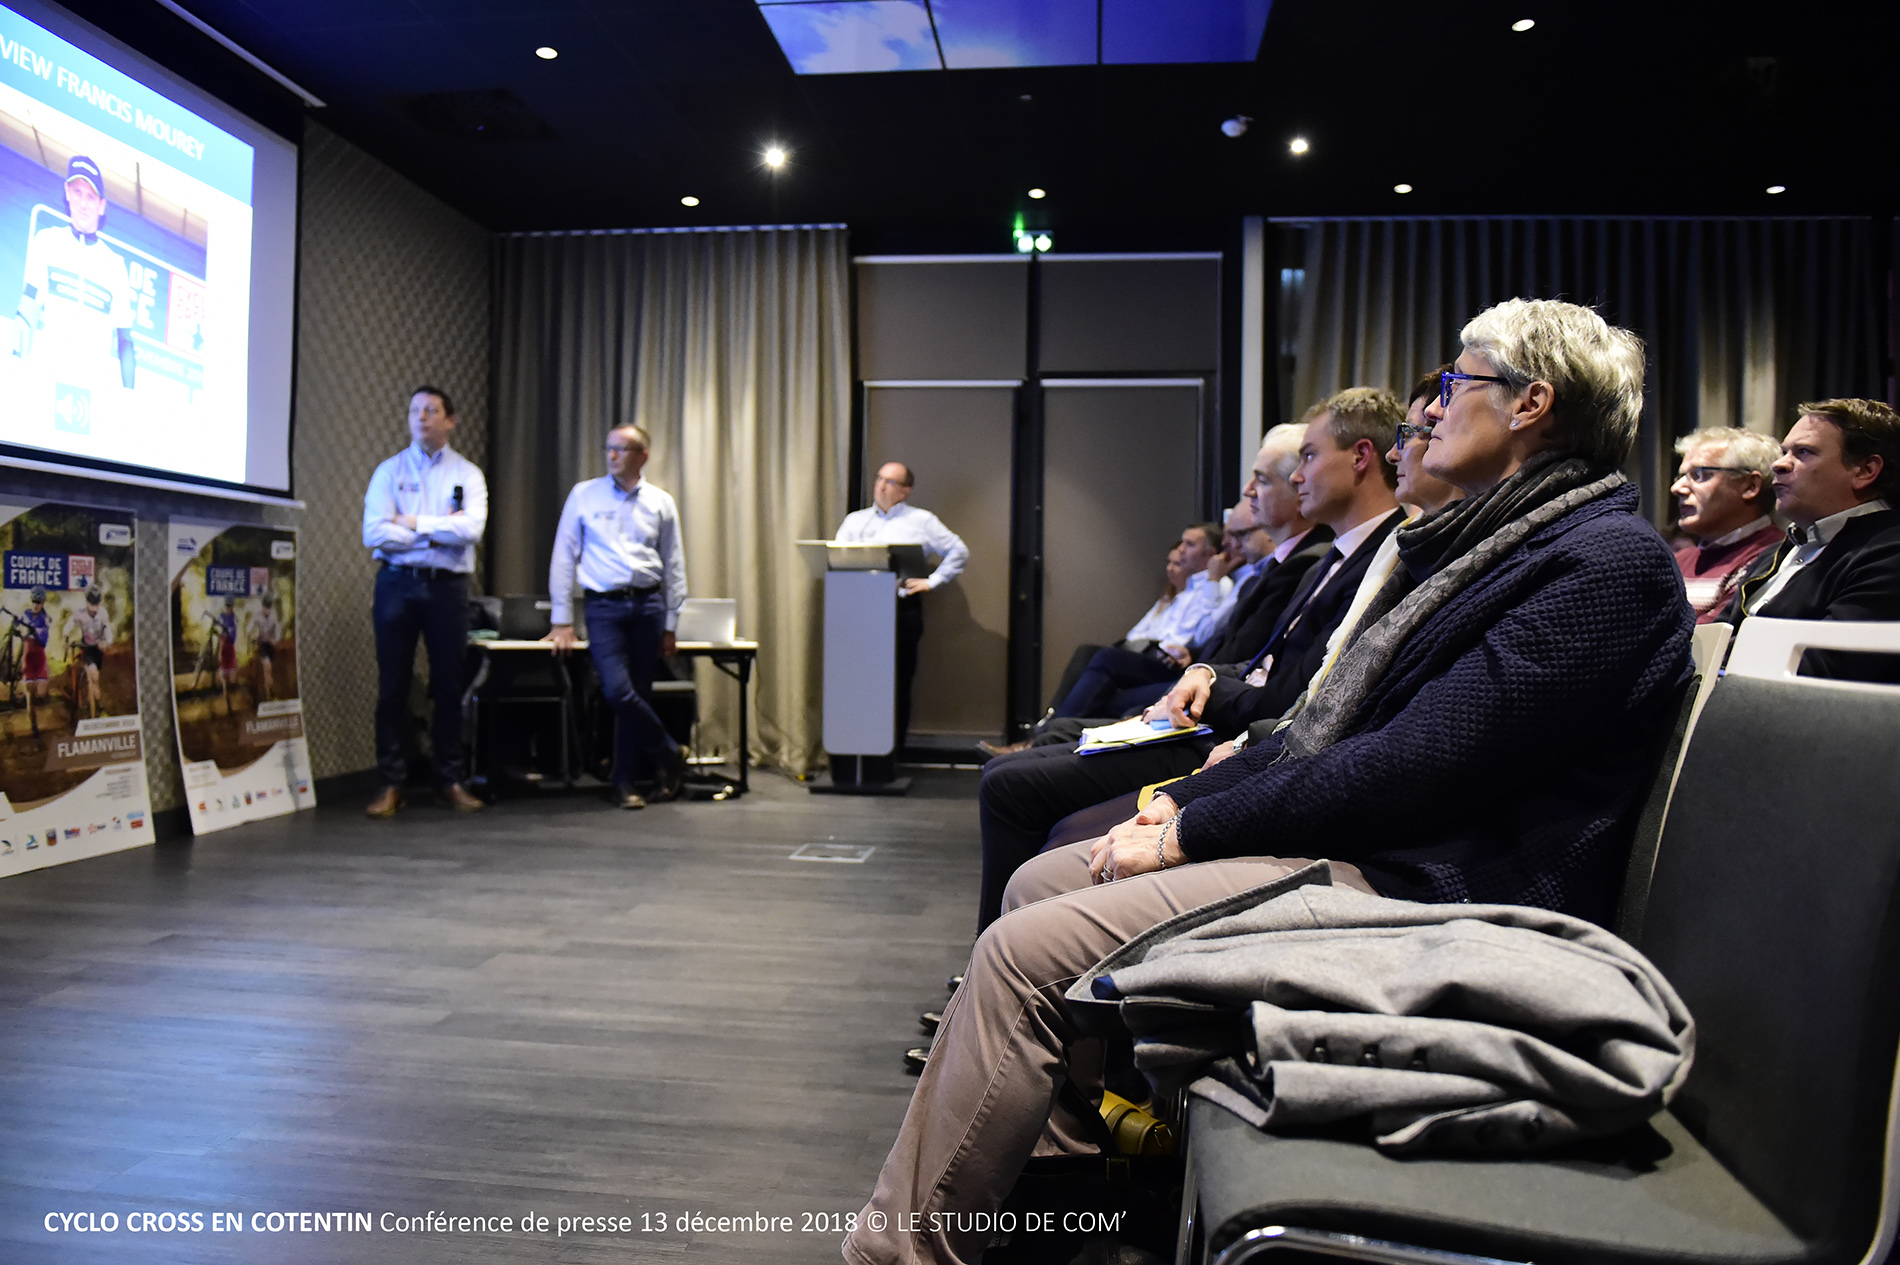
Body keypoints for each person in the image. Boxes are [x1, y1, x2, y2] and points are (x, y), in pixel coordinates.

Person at [845, 298, 1694, 1265]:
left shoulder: (1602, 564)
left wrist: (1188, 831)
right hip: (1384, 848)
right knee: (1041, 881)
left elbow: (1413, 766)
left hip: (1434, 892)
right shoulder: (1489, 544)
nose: (1434, 407)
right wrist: (1181, 802)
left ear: (1530, 404)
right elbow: (1323, 734)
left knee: (1020, 952)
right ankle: (1064, 1183)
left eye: (1458, 383)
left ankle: (901, 1253)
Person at [970, 388, 1404, 933]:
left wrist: (1209, 681)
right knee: (1024, 769)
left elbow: (1286, 695)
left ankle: (1004, 949)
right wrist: (1205, 672)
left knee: (1015, 789)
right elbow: (1256, 663)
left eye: (1310, 457)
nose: (1298, 476)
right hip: (1227, 725)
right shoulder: (1333, 559)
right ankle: (1004, 947)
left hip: (1238, 742)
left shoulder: (1379, 560)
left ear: (1361, 457)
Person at [547, 424, 690, 810]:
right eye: (608, 448)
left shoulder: (660, 502)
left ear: (642, 456)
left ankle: (624, 783)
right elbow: (564, 556)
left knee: (639, 694)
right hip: (604, 607)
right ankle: (669, 753)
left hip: (647, 606)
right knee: (616, 691)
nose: (611, 455)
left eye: (621, 449)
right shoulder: (584, 495)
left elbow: (674, 564)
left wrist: (672, 623)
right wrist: (561, 619)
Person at [361, 385, 488, 817]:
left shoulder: (468, 474)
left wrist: (411, 522)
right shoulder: (389, 471)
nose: (421, 417)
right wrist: (436, 532)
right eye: (415, 410)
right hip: (397, 584)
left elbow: (470, 530)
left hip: (447, 589)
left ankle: (448, 780)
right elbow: (374, 533)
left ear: (450, 420)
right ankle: (391, 783)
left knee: (449, 686)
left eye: (431, 410)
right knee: (392, 686)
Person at [1723, 398, 1900, 679]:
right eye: (1784, 452)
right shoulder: (1777, 552)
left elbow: (1825, 667)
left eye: (1803, 452)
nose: (1778, 464)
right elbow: (1717, 635)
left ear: (1865, 471)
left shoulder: (1890, 553)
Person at [834, 462, 968, 755]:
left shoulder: (921, 521)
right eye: (879, 479)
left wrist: (932, 582)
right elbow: (837, 559)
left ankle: (893, 753)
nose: (881, 486)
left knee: (898, 681)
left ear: (905, 491)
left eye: (891, 482)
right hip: (860, 611)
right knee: (859, 682)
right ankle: (859, 751)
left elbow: (959, 551)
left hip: (901, 610)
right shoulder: (855, 522)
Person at [11, 156, 136, 390]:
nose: (83, 204)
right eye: (77, 192)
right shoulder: (47, 241)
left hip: (94, 391)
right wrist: (17, 370)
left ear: (102, 205)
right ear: (67, 192)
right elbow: (27, 311)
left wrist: (128, 395)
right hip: (47, 381)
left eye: (91, 196)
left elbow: (125, 341)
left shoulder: (115, 265)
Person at [1668, 426, 1782, 620]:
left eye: (1699, 475)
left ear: (1750, 486)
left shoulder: (1772, 556)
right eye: (1681, 476)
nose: (1676, 488)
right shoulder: (1678, 560)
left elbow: (1714, 634)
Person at [62, 586, 110, 719]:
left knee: (96, 680)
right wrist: (65, 636)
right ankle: (93, 709)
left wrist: (106, 642)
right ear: (87, 602)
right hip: (87, 648)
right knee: (93, 675)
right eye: (91, 605)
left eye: (96, 605)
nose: (94, 609)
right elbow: (70, 623)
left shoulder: (103, 614)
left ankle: (98, 703)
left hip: (98, 648)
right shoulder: (80, 613)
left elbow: (108, 630)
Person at [17, 587, 51, 737]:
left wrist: (34, 632)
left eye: (38, 602)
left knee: (41, 693)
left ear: (43, 603)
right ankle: (34, 727)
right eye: (34, 601)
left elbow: (43, 641)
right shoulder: (26, 614)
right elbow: (18, 624)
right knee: (29, 694)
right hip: (28, 658)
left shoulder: (45, 618)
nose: (36, 605)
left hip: (39, 657)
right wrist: (18, 627)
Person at [249, 592, 282, 704]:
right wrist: (253, 636)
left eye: (269, 607)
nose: (267, 610)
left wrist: (275, 640)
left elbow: (278, 631)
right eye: (265, 607)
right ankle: (269, 694)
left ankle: (270, 689)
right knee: (267, 667)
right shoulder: (257, 615)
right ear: (262, 606)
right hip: (262, 644)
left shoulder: (274, 615)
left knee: (271, 670)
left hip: (270, 646)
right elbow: (249, 628)